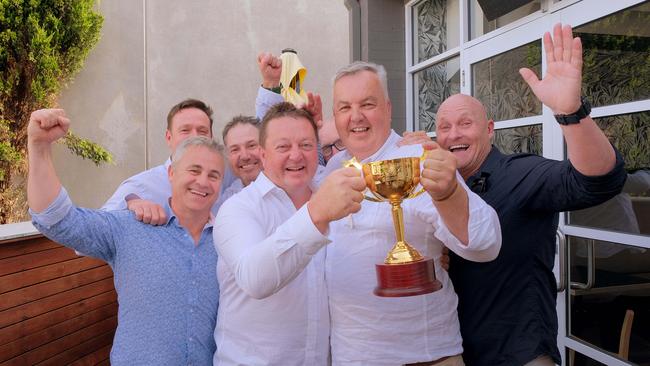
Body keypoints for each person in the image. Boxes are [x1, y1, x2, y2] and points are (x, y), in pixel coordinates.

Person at [436, 24, 627, 366]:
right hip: (451, 351)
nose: (453, 135)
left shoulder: (518, 174)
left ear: (490, 129)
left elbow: (598, 181)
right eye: (444, 127)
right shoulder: (435, 188)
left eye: (465, 123)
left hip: (518, 353)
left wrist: (571, 114)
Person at [322, 60, 502, 365]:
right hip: (351, 355)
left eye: (368, 104)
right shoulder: (333, 168)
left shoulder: (419, 158)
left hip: (423, 356)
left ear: (388, 108)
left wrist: (450, 193)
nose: (356, 117)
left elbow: (485, 244)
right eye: (344, 107)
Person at [27, 108, 224, 365]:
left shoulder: (226, 242)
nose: (203, 182)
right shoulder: (130, 228)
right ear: (171, 174)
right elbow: (57, 220)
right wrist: (40, 147)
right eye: (194, 171)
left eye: (214, 175)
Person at [212, 102, 366, 365]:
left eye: (305, 145)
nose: (296, 156)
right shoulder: (238, 209)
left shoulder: (336, 197)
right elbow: (255, 279)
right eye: (283, 147)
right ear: (263, 154)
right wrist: (315, 215)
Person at [103, 98, 234, 224]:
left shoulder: (226, 178)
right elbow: (102, 225)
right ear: (169, 137)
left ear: (211, 138)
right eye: (185, 130)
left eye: (202, 131)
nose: (194, 137)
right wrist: (130, 205)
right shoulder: (141, 187)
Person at [219, 115, 263, 201]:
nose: (245, 156)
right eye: (235, 149)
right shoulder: (226, 200)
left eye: (251, 146)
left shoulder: (290, 189)